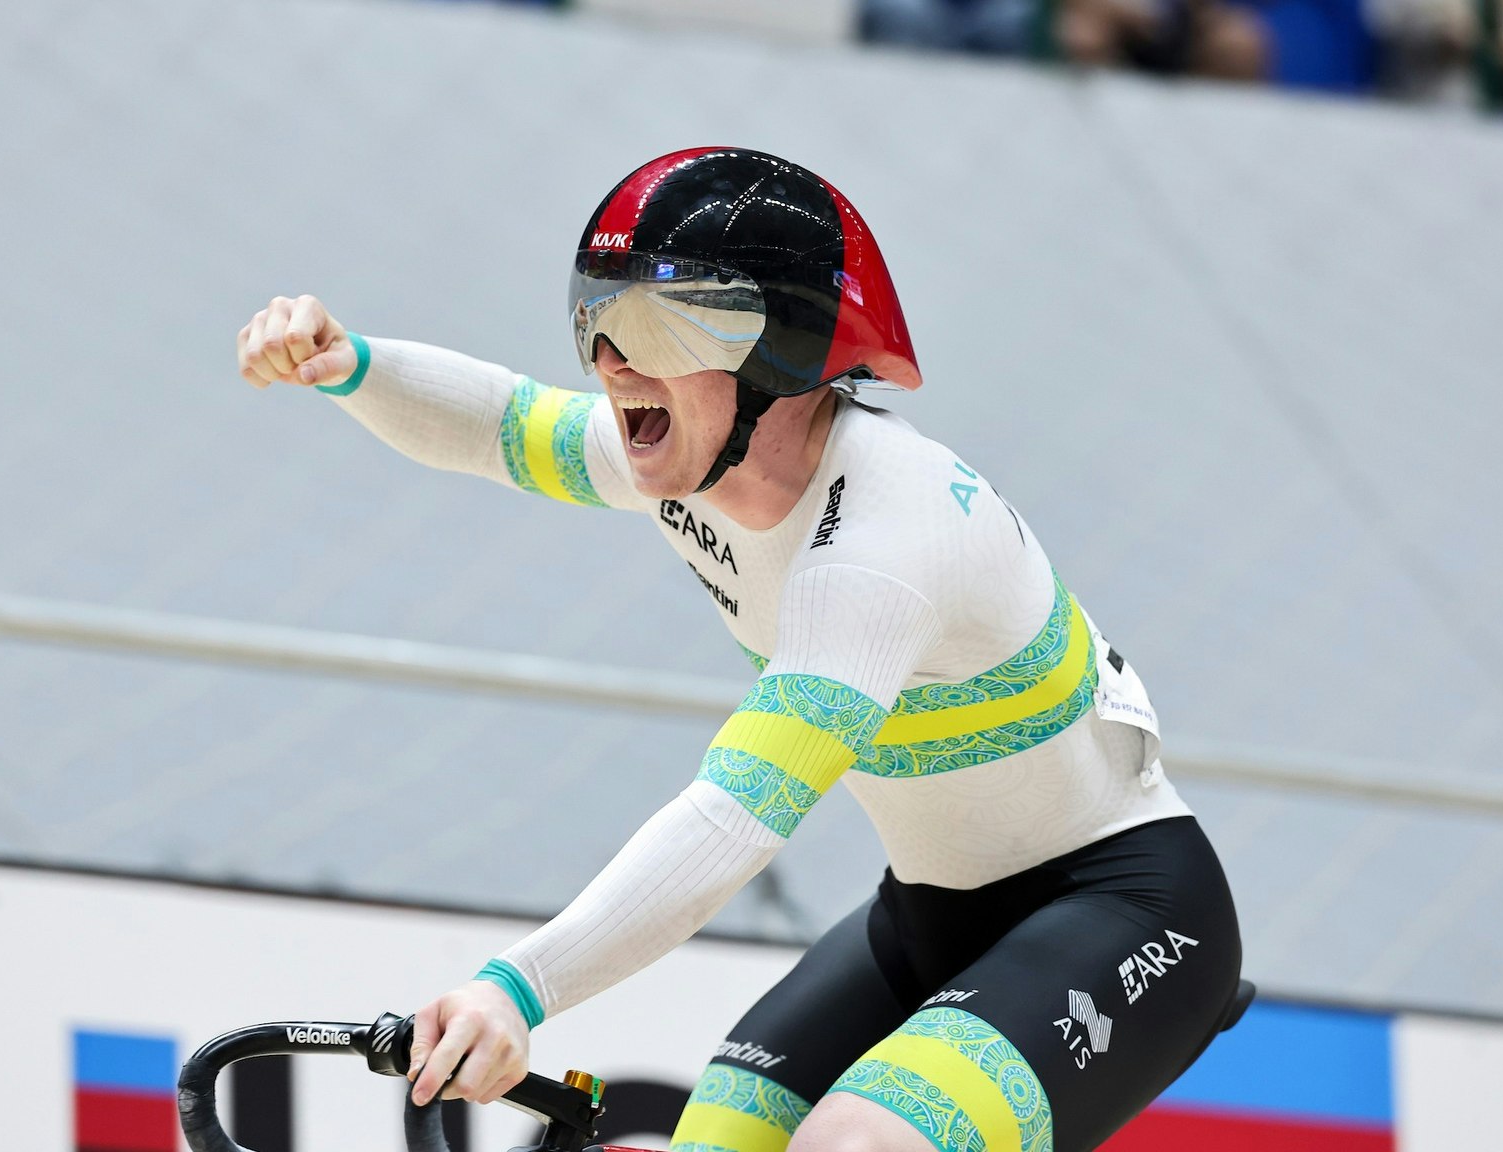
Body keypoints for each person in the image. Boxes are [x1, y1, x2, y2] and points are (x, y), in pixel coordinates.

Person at [236, 147, 1243, 1152]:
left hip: (1123, 910)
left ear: (784, 355)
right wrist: (347, 366)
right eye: (596, 315)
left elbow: (734, 817)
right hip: (921, 919)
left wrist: (519, 989)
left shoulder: (883, 544)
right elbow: (503, 423)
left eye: (657, 323)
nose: (610, 362)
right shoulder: (683, 461)